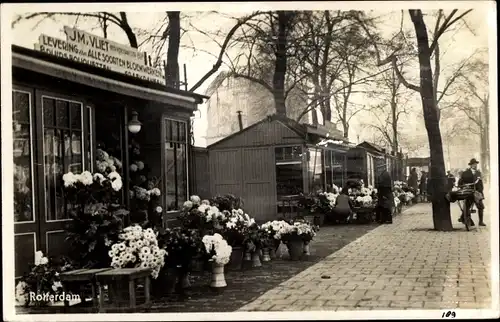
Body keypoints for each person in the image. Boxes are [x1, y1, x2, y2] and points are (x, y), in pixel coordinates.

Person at [458, 158, 485, 227]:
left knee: (481, 206)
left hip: (477, 192)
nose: (475, 165)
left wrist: (481, 191)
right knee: (467, 206)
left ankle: (481, 222)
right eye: (473, 164)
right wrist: (461, 187)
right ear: (470, 165)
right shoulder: (465, 173)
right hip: (468, 191)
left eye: (476, 164)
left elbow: (480, 183)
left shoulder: (478, 173)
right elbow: (460, 181)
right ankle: (466, 219)